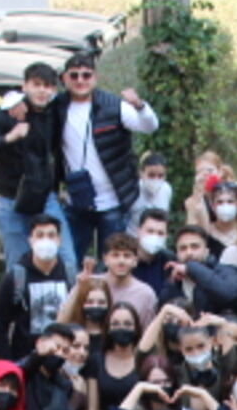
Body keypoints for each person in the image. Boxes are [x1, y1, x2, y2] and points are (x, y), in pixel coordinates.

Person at [53, 52, 158, 260]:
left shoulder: (114, 106)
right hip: (77, 199)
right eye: (74, 75)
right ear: (64, 78)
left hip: (113, 200)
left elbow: (150, 126)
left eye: (86, 75)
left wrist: (139, 105)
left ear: (95, 77)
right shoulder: (56, 107)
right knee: (69, 260)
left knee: (113, 261)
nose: (80, 80)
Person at [0, 64, 71, 270]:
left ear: (54, 89)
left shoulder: (54, 110)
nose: (42, 90)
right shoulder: (6, 113)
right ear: (25, 86)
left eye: (48, 86)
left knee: (66, 260)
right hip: (11, 200)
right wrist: (10, 137)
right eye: (37, 84)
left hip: (45, 198)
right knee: (18, 267)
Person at [0, 214, 73, 362]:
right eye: (40, 235)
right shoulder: (16, 277)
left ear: (59, 240)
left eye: (51, 235)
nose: (46, 240)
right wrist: (7, 364)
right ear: (31, 240)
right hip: (25, 359)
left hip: (63, 358)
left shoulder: (69, 275)